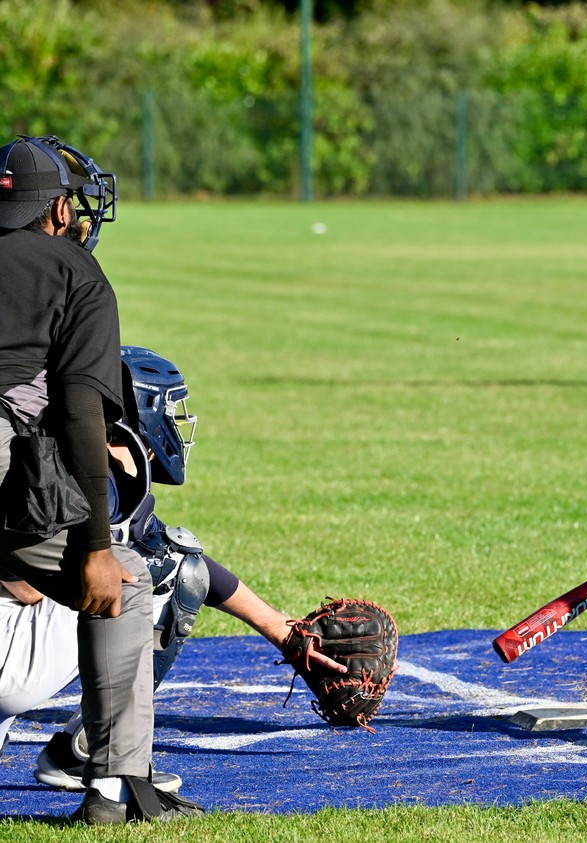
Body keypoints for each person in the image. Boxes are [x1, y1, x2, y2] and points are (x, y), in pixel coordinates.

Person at [0, 345, 348, 793]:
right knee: (167, 572)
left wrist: (281, 629)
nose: (178, 423)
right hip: (9, 660)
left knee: (150, 561)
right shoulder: (90, 473)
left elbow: (178, 555)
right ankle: (85, 753)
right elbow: (26, 583)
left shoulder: (39, 446)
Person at [0, 135, 203, 822]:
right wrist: (90, 547)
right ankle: (114, 785)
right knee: (126, 577)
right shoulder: (72, 273)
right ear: (55, 210)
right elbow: (81, 410)